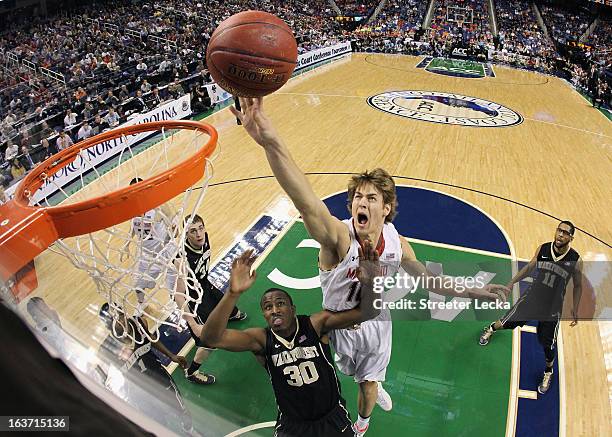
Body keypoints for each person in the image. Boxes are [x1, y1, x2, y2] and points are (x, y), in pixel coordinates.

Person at [231, 97, 507, 435]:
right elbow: (304, 199)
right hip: (339, 325)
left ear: (387, 208)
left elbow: (430, 281)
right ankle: (367, 378)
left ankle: (362, 423)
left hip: (376, 322)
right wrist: (271, 141)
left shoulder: (397, 243)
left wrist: (475, 290)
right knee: (342, 371)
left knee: (367, 386)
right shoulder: (338, 240)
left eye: (371, 198)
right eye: (358, 197)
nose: (362, 202)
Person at [200, 241, 383, 437]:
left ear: (293, 310)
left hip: (332, 419)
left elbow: (369, 311)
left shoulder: (315, 324)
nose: (275, 309)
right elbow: (211, 338)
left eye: (280, 304)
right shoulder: (261, 340)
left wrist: (372, 283)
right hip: (292, 427)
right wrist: (232, 293)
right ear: (264, 315)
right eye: (268, 307)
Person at [479, 221, 583, 394]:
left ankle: (548, 371)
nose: (560, 235)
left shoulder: (575, 259)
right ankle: (490, 327)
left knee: (547, 344)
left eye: (565, 233)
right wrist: (512, 282)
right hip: (532, 298)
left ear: (571, 238)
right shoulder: (543, 249)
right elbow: (529, 268)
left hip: (552, 308)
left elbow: (578, 285)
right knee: (507, 322)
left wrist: (576, 308)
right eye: (559, 230)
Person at [98, 302, 196, 435]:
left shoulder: (138, 323)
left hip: (160, 378)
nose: (122, 320)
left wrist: (171, 355)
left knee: (182, 411)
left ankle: (189, 431)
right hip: (140, 393)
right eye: (116, 319)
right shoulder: (106, 349)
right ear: (110, 326)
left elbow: (151, 338)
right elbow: (102, 377)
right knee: (156, 424)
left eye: (121, 315)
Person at [173, 214, 247, 385]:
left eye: (200, 228)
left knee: (228, 306)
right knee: (209, 340)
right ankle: (192, 372)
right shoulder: (181, 259)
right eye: (192, 231)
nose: (198, 234)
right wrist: (193, 324)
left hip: (203, 284)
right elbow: (178, 295)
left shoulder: (203, 239)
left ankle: (231, 314)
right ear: (186, 235)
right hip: (191, 298)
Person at [120, 177, 177, 307]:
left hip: (165, 251)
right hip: (146, 254)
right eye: (133, 191)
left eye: (139, 189)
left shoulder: (158, 205)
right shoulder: (133, 209)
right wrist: (127, 244)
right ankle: (141, 305)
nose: (136, 193)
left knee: (173, 286)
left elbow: (172, 219)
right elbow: (135, 226)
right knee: (137, 285)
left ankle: (180, 307)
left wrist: (173, 230)